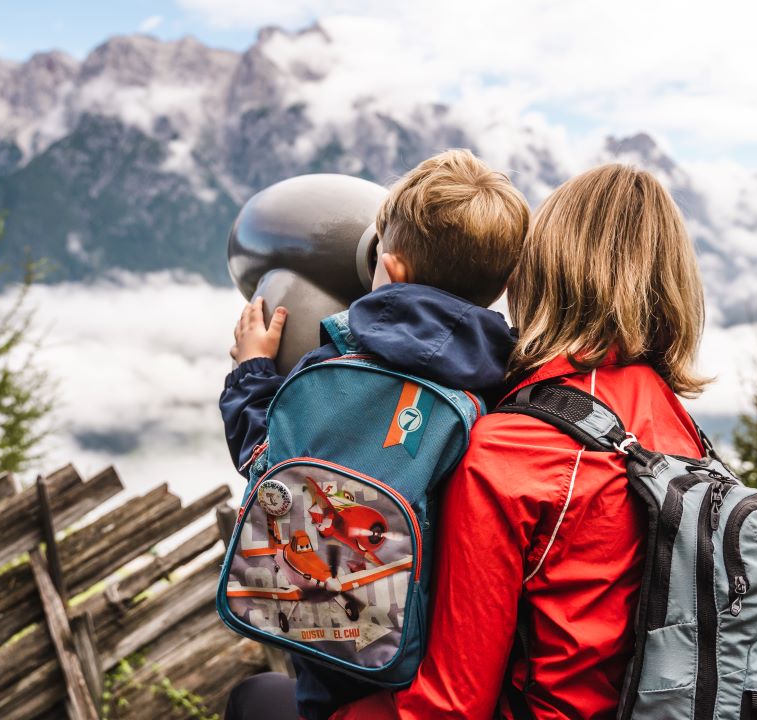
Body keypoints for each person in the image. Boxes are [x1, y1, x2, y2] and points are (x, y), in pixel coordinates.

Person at [329, 163, 711, 719]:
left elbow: (451, 707)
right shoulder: (678, 426)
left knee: (262, 699)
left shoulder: (512, 450)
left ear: (539, 273)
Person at [219, 149, 531, 720]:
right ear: (505, 282)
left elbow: (265, 464)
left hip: (331, 639)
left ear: (392, 266)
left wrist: (250, 375)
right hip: (428, 657)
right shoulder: (505, 393)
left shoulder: (330, 370)